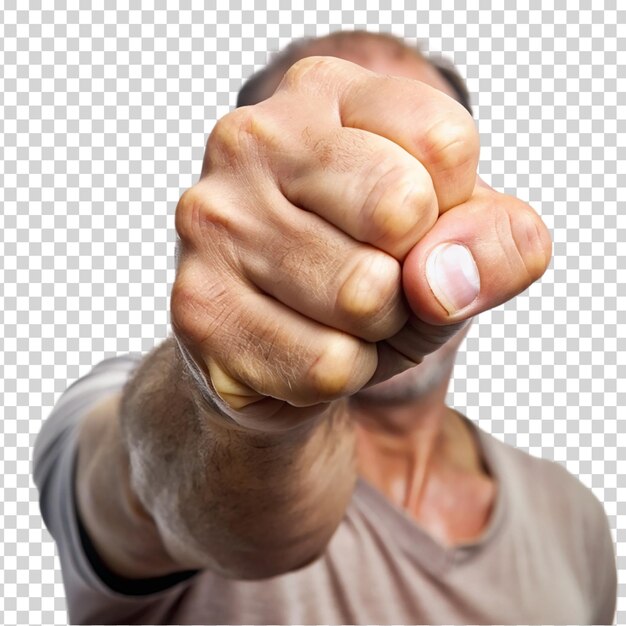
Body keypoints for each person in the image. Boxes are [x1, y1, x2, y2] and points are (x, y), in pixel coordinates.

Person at [33, 30, 616, 624]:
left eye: (426, 179)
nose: (381, 222)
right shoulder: (123, 412)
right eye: (318, 188)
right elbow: (180, 494)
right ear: (244, 210)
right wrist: (240, 404)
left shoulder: (573, 519)